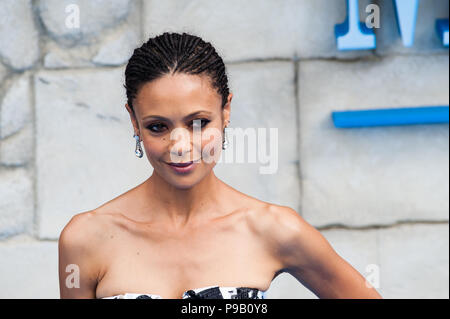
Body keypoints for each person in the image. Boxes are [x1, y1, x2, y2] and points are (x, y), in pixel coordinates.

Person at [58, 32, 382, 299]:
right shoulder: (85, 238)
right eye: (158, 126)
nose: (181, 146)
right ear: (134, 120)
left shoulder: (275, 228)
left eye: (199, 123)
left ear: (226, 111)